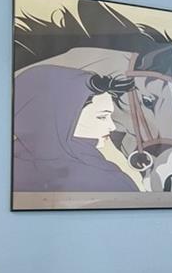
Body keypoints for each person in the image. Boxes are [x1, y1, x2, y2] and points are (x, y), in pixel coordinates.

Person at [13, 66, 143, 194]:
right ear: (63, 118)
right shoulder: (108, 180)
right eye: (102, 116)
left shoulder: (9, 170)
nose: (112, 126)